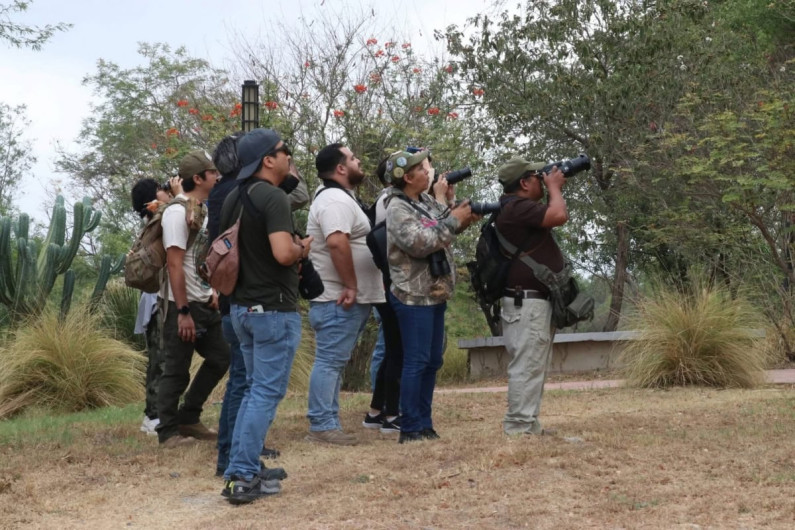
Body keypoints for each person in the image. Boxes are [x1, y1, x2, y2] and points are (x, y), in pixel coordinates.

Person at [219, 128, 312, 505]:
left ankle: (241, 466)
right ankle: (242, 474)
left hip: (241, 309)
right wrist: (301, 248)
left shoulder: (232, 198)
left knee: (253, 390)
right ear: (268, 160)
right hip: (272, 310)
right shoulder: (272, 197)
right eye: (284, 151)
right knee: (264, 392)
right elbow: (282, 254)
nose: (290, 156)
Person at [383, 150, 479, 443]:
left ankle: (424, 423)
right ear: (408, 177)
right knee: (417, 360)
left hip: (434, 293)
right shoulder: (397, 208)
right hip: (413, 295)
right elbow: (421, 241)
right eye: (424, 169)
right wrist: (449, 216)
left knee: (432, 360)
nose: (431, 172)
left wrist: (454, 208)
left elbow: (443, 230)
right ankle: (410, 427)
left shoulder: (422, 201)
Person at [305, 143, 384, 446]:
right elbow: (337, 243)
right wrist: (351, 285)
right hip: (337, 298)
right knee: (329, 361)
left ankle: (328, 422)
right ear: (340, 168)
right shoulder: (335, 200)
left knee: (334, 361)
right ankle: (322, 425)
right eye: (353, 157)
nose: (359, 160)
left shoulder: (339, 198)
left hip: (341, 298)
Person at [155, 150, 230, 448]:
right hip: (180, 304)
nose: (217, 177)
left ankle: (189, 416)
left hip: (203, 299)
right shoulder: (175, 212)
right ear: (198, 178)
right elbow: (174, 264)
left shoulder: (201, 210)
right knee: (176, 368)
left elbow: (200, 257)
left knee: (222, 356)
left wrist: (213, 290)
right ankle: (168, 432)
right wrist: (183, 311)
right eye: (212, 173)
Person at [495, 157, 567, 436]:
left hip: (529, 301)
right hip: (526, 302)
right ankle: (518, 427)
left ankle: (529, 424)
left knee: (533, 365)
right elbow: (558, 215)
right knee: (527, 366)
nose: (542, 179)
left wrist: (550, 186)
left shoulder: (515, 208)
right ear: (524, 183)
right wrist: (556, 187)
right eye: (537, 176)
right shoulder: (517, 208)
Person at [130, 176, 181, 435]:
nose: (166, 191)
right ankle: (153, 416)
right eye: (160, 190)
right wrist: (177, 193)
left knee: (165, 358)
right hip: (156, 301)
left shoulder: (160, 217)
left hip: (161, 298)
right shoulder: (158, 219)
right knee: (159, 359)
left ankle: (161, 413)